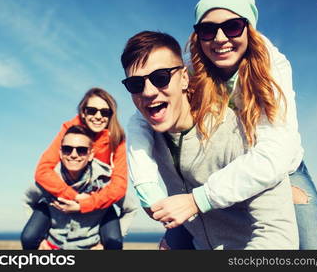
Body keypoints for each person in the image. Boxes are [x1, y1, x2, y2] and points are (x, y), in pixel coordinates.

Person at [125, 0, 317, 250]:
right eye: (208, 30)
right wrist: (146, 187)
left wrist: (198, 200)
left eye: (232, 27)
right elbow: (141, 117)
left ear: (249, 29)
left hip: (281, 169)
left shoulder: (273, 69)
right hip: (214, 176)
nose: (219, 39)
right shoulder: (189, 68)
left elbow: (275, 154)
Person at [120, 30, 298, 249]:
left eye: (161, 78)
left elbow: (278, 235)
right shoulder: (149, 135)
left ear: (184, 78)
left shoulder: (237, 133)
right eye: (136, 84)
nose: (148, 92)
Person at [21, 87, 136, 249]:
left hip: (100, 199)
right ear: (83, 112)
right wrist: (74, 197)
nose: (98, 116)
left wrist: (86, 204)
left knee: (113, 241)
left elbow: (119, 186)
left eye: (105, 112)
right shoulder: (69, 131)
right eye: (92, 110)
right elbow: (43, 170)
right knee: (29, 237)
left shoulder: (116, 138)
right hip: (68, 195)